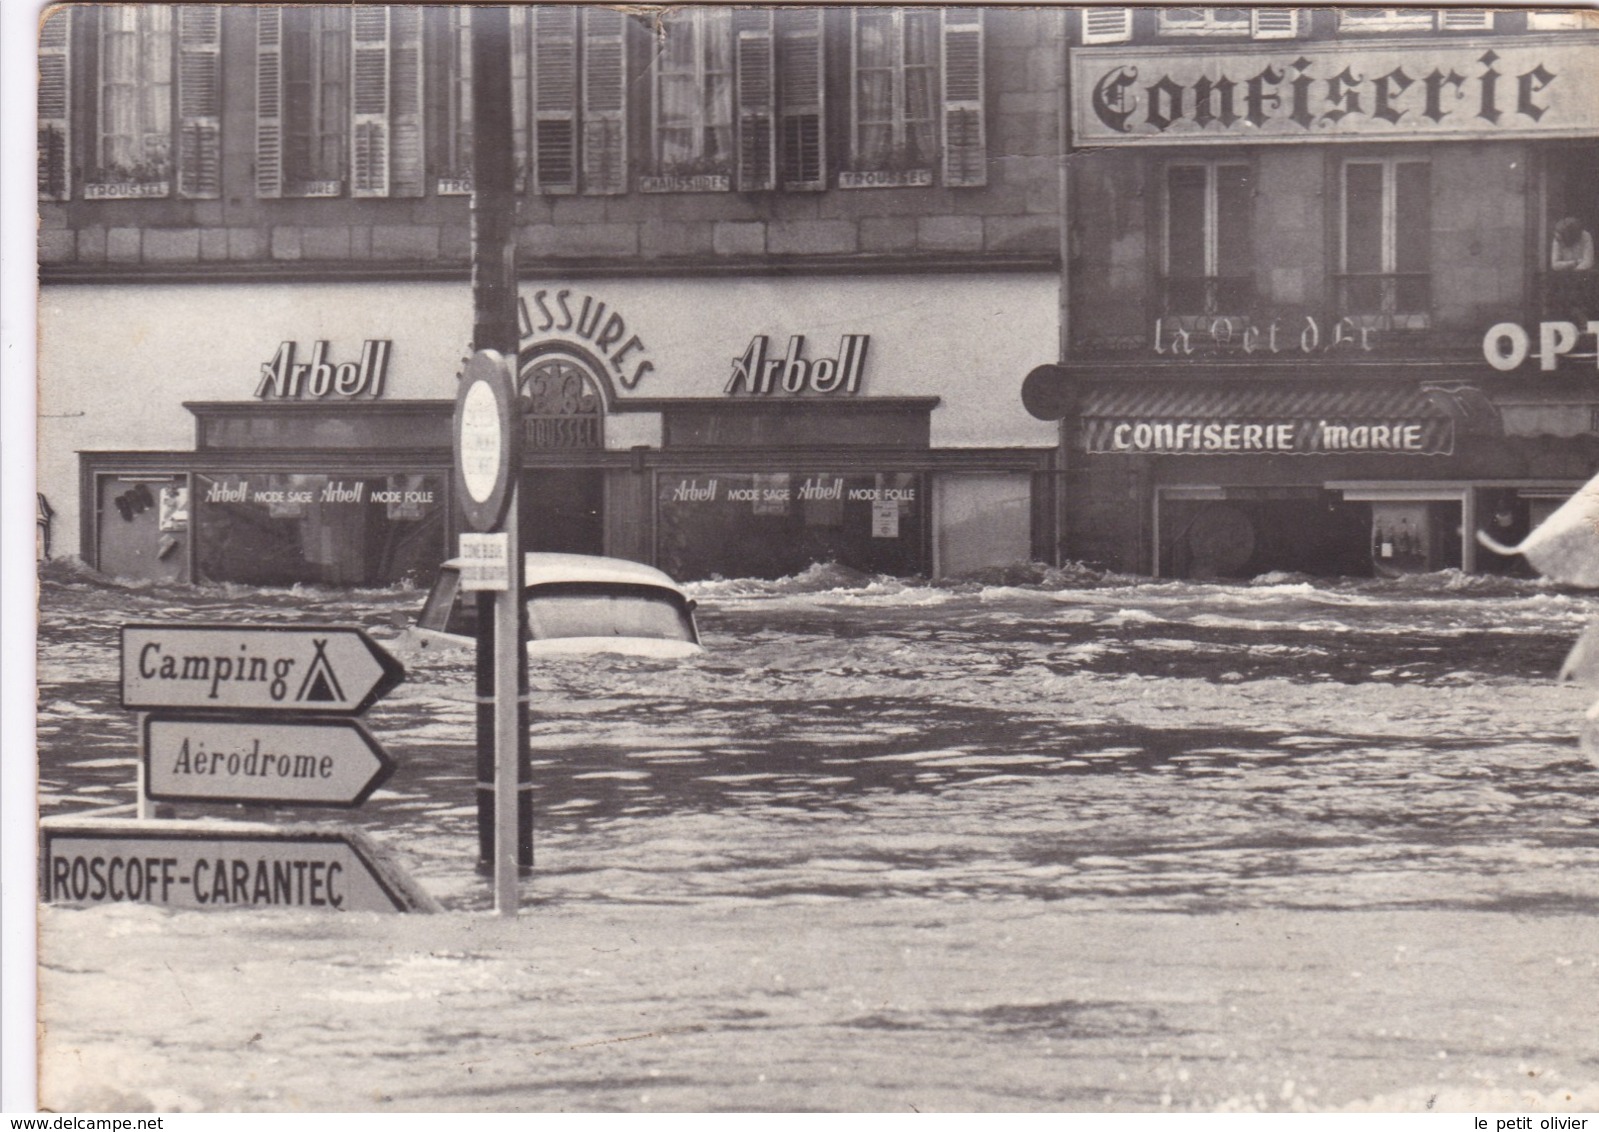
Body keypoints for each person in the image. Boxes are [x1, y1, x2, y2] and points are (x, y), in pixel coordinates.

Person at [1549, 216, 1594, 323]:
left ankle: (1585, 320)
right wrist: (1574, 262)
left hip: (1582, 277)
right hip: (1564, 278)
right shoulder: (1557, 239)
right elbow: (1555, 264)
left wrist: (1574, 271)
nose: (1558, 239)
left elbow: (1588, 262)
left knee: (1584, 298)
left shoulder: (1585, 236)